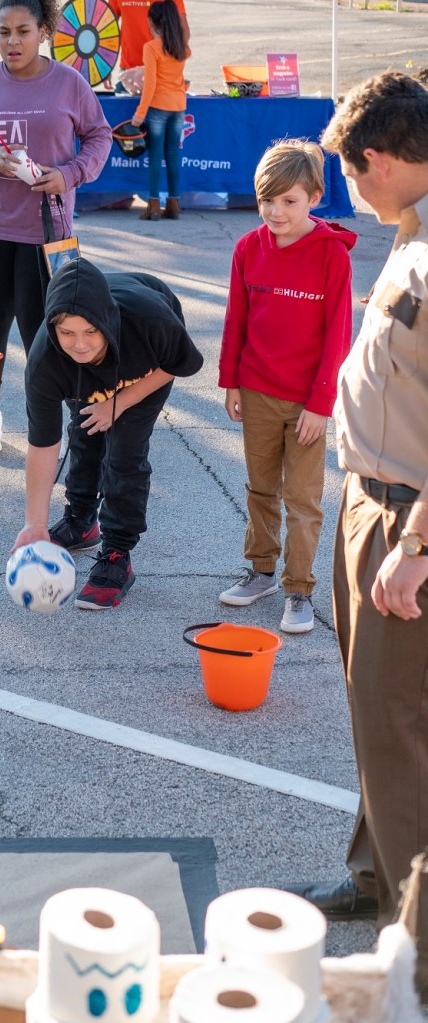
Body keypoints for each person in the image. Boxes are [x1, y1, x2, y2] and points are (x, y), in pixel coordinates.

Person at [284, 71, 428, 999]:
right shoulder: (410, 235)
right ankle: (377, 877)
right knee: (373, 716)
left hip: (407, 519)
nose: (350, 191)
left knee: (400, 726)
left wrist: (415, 544)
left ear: (379, 159)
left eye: (352, 174)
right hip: (369, 506)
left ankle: (412, 940)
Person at [0, 0, 112, 456]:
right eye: (3, 32)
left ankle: (52, 424)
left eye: (23, 31)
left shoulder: (68, 83)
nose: (12, 41)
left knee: (48, 330)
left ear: (44, 31)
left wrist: (70, 173)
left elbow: (100, 136)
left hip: (48, 231)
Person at [217, 140, 356, 634]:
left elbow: (338, 336)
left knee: (302, 499)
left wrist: (321, 404)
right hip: (254, 391)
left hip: (307, 403)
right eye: (266, 200)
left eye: (289, 201)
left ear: (315, 197)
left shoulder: (331, 258)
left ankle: (299, 589)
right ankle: (261, 572)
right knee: (260, 487)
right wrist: (230, 379)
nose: (275, 211)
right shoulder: (247, 249)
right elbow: (236, 319)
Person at [12, 257, 203, 609]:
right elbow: (43, 444)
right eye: (66, 332)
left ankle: (117, 553)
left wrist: (120, 402)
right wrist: (34, 524)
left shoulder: (151, 321)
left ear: (105, 322)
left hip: (143, 369)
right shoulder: (45, 362)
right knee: (83, 432)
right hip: (94, 376)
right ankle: (82, 520)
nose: (79, 344)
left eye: (90, 331)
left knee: (124, 454)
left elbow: (180, 364)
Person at [129, 1, 190, 221]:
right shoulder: (181, 47)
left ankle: (153, 206)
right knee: (173, 156)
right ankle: (174, 205)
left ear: (153, 22)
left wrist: (140, 113)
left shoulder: (151, 48)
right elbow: (179, 79)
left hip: (157, 108)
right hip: (179, 107)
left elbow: (151, 84)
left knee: (155, 158)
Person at [113, 0, 189, 94]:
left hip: (162, 75)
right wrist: (104, 68)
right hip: (128, 75)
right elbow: (106, 24)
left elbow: (183, 32)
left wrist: (171, 67)